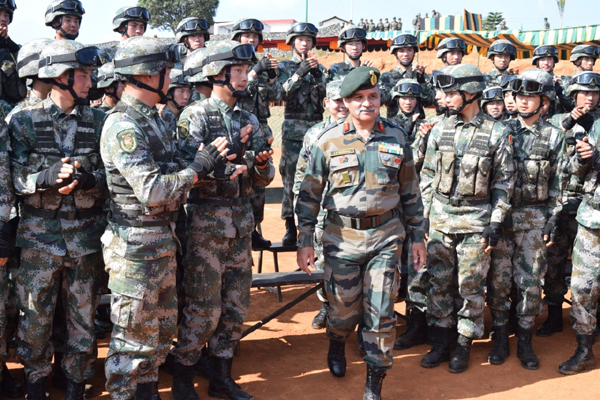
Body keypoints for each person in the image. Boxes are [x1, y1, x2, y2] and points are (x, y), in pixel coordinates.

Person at [101, 36, 241, 400]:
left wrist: (216, 169)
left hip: (162, 241)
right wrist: (198, 167)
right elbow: (154, 191)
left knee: (160, 334)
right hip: (135, 247)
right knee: (132, 340)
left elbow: (175, 173)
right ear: (147, 75)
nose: (171, 78)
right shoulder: (123, 126)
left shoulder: (157, 120)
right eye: (165, 71)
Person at [296, 66, 426, 400]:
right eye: (358, 98)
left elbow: (410, 189)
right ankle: (337, 340)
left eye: (372, 97)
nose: (367, 104)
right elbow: (309, 194)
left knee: (381, 313)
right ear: (346, 103)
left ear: (380, 99)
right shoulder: (327, 141)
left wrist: (417, 236)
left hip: (386, 236)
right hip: (342, 239)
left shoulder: (397, 137)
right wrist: (304, 240)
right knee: (343, 312)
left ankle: (374, 382)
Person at [169, 40, 274, 400]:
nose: (246, 78)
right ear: (218, 74)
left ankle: (220, 377)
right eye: (240, 72)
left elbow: (264, 176)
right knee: (202, 305)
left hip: (240, 225)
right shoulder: (195, 116)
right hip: (205, 226)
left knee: (234, 305)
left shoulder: (249, 118)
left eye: (247, 71)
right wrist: (232, 166)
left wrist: (259, 164)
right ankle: (183, 377)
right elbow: (187, 170)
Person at [9, 39, 107, 400]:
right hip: (38, 240)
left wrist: (91, 180)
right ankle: (35, 385)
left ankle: (76, 387)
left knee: (83, 321)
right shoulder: (22, 121)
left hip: (85, 239)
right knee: (35, 319)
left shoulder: (100, 121)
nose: (88, 82)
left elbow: (114, 178)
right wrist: (43, 178)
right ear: (57, 78)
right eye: (81, 75)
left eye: (89, 75)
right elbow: (12, 178)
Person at [419, 64, 514, 373]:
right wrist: (423, 219)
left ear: (470, 92)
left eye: (451, 92)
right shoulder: (440, 128)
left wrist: (495, 222)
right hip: (441, 221)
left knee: (470, 286)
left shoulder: (497, 132)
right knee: (439, 282)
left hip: (476, 222)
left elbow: (503, 183)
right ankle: (441, 341)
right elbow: (428, 176)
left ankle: (463, 343)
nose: (445, 97)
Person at [487, 69, 564, 370]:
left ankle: (525, 341)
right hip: (503, 221)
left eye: (530, 96)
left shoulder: (554, 136)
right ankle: (500, 340)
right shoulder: (500, 131)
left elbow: (559, 182)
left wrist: (553, 217)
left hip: (534, 220)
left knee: (531, 283)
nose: (523, 101)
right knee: (498, 282)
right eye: (519, 95)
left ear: (543, 101)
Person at [540, 71, 600, 338]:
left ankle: (592, 319)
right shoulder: (556, 120)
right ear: (574, 94)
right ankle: (554, 316)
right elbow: (541, 143)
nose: (590, 97)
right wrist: (567, 122)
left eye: (595, 93)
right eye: (584, 92)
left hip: (588, 205)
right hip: (559, 203)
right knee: (553, 263)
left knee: (590, 268)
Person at [292, 80, 348, 330]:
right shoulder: (314, 134)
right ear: (326, 103)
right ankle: (326, 303)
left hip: (349, 213)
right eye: (337, 101)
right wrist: (299, 210)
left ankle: (350, 314)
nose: (342, 105)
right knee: (324, 263)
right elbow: (301, 175)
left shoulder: (361, 131)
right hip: (321, 210)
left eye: (346, 99)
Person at [231, 17, 283, 249]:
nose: (251, 39)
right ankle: (238, 229)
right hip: (238, 126)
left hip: (260, 126)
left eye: (255, 36)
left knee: (260, 179)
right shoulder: (231, 63)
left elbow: (277, 96)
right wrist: (252, 72)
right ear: (238, 39)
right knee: (239, 175)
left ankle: (253, 229)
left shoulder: (264, 65)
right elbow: (236, 90)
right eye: (246, 36)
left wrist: (271, 77)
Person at [558, 93, 600, 375]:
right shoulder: (597, 126)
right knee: (583, 287)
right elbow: (573, 170)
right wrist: (584, 158)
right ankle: (584, 349)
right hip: (592, 217)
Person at [277, 22, 326, 245]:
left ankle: (314, 227)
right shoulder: (285, 67)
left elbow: (330, 97)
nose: (304, 43)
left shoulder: (321, 69)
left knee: (316, 176)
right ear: (292, 42)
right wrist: (299, 73)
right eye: (300, 39)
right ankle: (290, 227)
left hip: (317, 128)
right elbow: (280, 93)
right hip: (293, 130)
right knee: (289, 177)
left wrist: (317, 75)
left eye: (308, 40)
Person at [380, 33, 432, 119]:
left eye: (409, 50)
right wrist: (407, 78)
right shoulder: (387, 77)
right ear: (395, 53)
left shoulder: (421, 75)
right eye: (401, 51)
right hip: (395, 126)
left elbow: (428, 102)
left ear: (414, 52)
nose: (406, 54)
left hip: (418, 126)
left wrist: (422, 83)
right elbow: (386, 100)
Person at [532, 45, 573, 116]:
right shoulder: (531, 82)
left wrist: (560, 92)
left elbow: (571, 107)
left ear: (554, 61)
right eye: (542, 59)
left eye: (549, 59)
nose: (546, 63)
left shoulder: (562, 82)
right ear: (537, 62)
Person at [160, 69, 191, 138]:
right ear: (168, 93)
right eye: (181, 91)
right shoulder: (160, 118)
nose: (186, 97)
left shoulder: (190, 116)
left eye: (188, 91)